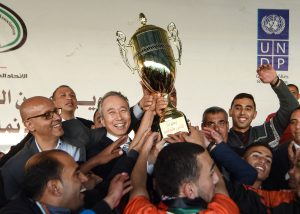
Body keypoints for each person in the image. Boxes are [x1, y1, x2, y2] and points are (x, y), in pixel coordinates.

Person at [124, 132, 239, 214]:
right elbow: (221, 188)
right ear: (189, 190)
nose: (216, 179)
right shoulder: (222, 211)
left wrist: (145, 150)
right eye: (210, 174)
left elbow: (137, 185)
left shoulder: (140, 211)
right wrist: (201, 145)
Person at [0, 96, 86, 200]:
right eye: (47, 115)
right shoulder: (13, 170)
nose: (58, 118)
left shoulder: (77, 130)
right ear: (30, 125)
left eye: (56, 111)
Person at [0, 150, 132, 213]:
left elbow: (106, 189)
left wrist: (136, 151)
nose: (84, 178)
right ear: (55, 187)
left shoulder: (78, 199)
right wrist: (110, 200)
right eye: (76, 174)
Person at [228, 64, 299, 155]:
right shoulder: (222, 138)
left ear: (255, 114)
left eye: (248, 109)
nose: (242, 112)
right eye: (238, 108)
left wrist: (274, 81)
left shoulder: (268, 131)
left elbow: (292, 106)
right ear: (230, 112)